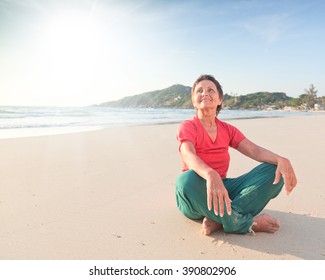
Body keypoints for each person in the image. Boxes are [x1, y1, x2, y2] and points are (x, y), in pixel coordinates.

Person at [175, 74, 297, 235]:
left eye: (210, 90)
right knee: (185, 179)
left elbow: (254, 151)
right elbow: (188, 155)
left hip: (223, 189)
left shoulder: (227, 129)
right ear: (194, 101)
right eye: (199, 91)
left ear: (219, 100)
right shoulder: (188, 126)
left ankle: (220, 219)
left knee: (275, 170)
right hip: (196, 192)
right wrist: (210, 173)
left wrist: (282, 160)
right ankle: (246, 223)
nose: (205, 93)